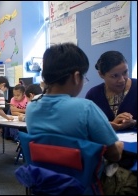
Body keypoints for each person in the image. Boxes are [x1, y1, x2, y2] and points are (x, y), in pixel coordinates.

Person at [26, 43, 128, 194]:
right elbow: (113, 154)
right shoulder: (86, 108)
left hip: (47, 184)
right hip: (84, 186)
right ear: (76, 76)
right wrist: (118, 145)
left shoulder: (31, 107)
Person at [85, 51, 137, 131]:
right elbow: (88, 127)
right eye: (114, 76)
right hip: (108, 143)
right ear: (101, 75)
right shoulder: (93, 95)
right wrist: (111, 124)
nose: (122, 80)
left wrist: (134, 122)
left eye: (125, 72)